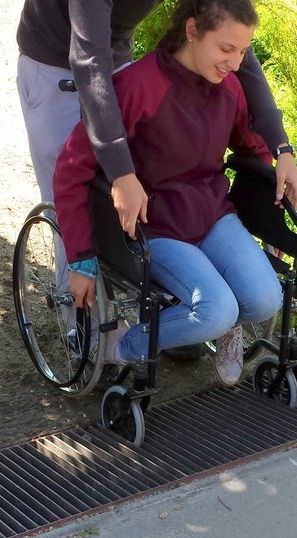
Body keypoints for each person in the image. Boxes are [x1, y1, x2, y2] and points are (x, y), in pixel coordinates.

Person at [52, 0, 281, 386]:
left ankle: (225, 329)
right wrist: (81, 259)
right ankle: (125, 346)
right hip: (157, 227)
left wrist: (271, 204)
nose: (235, 63)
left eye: (242, 52)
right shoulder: (138, 87)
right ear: (192, 31)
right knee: (214, 310)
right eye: (226, 49)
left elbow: (251, 148)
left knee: (265, 298)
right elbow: (71, 169)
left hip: (212, 215)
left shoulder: (230, 89)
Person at [15, 0, 297, 223]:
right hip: (51, 60)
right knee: (69, 196)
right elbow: (89, 61)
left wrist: (281, 146)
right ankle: (71, 292)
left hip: (113, 50)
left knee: (122, 199)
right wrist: (121, 172)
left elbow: (234, 40)